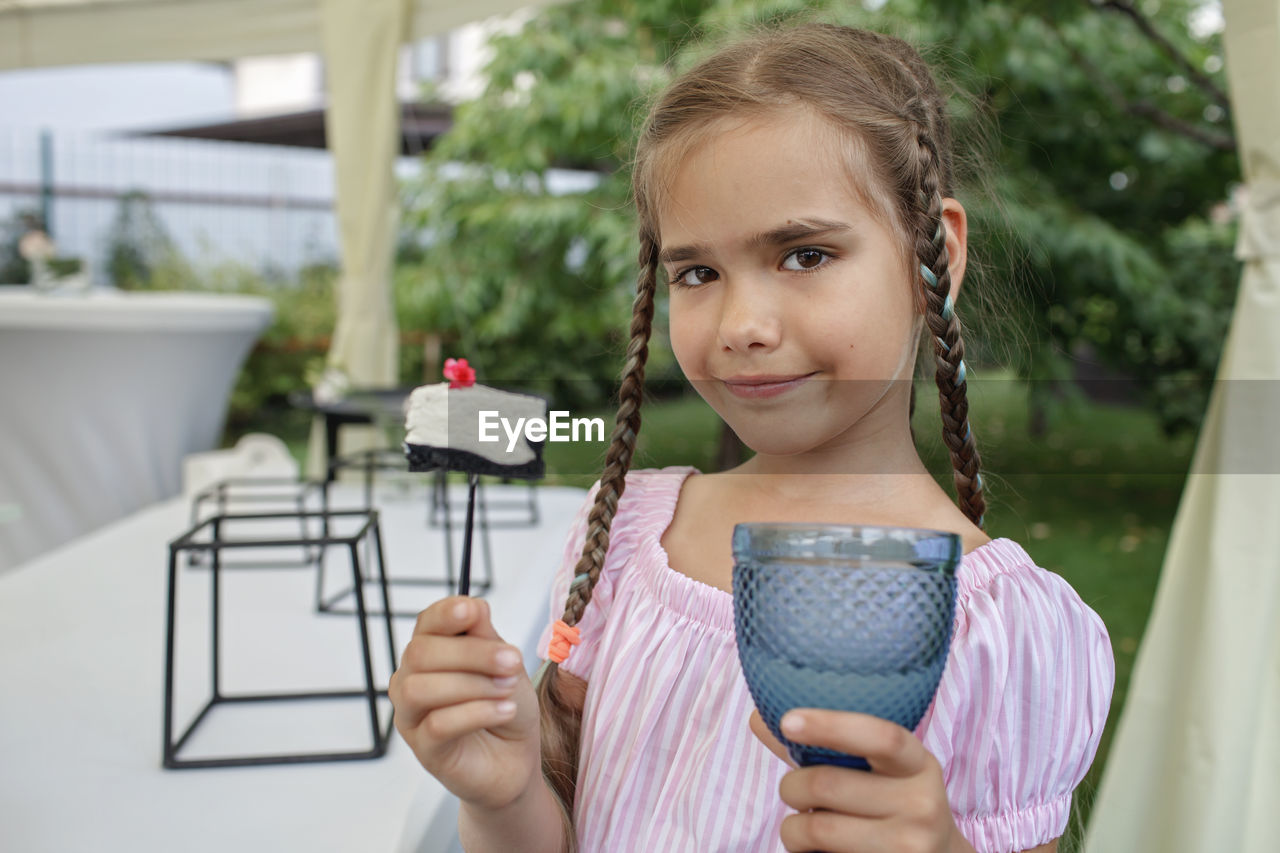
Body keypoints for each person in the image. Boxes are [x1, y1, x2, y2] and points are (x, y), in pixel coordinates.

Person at [388, 22, 1114, 853]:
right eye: (697, 273)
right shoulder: (626, 537)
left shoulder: (1001, 630)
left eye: (804, 255)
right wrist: (503, 791)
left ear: (933, 257)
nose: (741, 324)